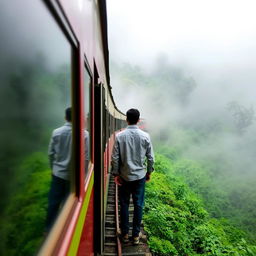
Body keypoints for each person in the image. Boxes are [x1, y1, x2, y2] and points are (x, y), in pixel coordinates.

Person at [111, 108, 154, 245]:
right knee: (138, 205)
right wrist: (149, 172)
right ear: (139, 119)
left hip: (124, 176)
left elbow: (115, 158)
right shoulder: (145, 136)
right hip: (139, 176)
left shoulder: (120, 136)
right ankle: (136, 236)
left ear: (126, 119)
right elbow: (151, 158)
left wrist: (116, 174)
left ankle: (124, 234)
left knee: (124, 204)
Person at [45, 107, 72, 231]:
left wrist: (53, 168)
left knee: (53, 203)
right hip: (74, 176)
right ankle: (67, 228)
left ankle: (49, 230)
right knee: (69, 204)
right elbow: (86, 157)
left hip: (58, 174)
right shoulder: (84, 134)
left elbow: (51, 153)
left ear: (65, 117)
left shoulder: (56, 132)